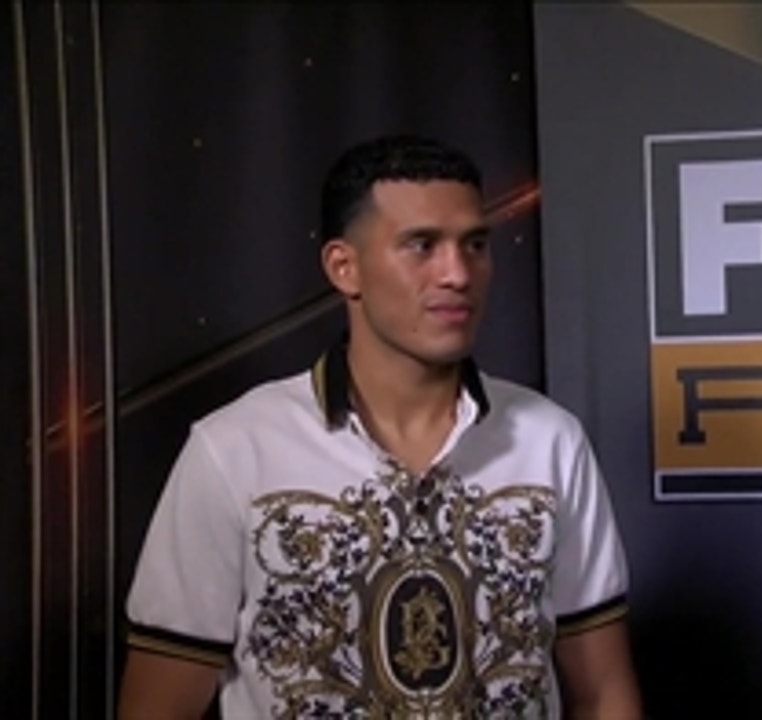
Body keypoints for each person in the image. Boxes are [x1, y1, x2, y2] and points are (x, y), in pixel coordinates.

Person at [118, 134, 644, 719]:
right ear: (344, 267)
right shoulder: (234, 450)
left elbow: (604, 692)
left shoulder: (551, 443)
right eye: (422, 245)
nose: (458, 273)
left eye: (474, 244)